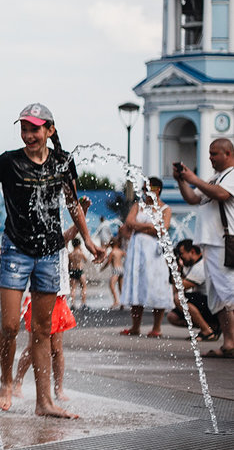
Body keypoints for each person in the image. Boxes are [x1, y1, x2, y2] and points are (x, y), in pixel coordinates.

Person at [0, 103, 101, 419]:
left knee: (42, 330)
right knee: (11, 325)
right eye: (24, 128)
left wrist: (89, 240)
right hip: (16, 250)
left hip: (51, 253)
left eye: (35, 129)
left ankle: (44, 402)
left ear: (49, 130)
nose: (28, 135)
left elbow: (72, 204)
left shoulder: (64, 162)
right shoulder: (9, 162)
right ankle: (5, 381)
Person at [172, 139, 234, 359]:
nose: (210, 157)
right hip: (211, 244)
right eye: (209, 153)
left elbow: (221, 195)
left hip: (224, 242)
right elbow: (192, 199)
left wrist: (193, 179)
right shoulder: (214, 179)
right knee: (217, 297)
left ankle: (232, 341)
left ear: (228, 153)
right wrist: (182, 182)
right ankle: (228, 343)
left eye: (214, 154)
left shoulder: (231, 176)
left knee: (229, 294)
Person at [14, 218, 87, 401]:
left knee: (57, 348)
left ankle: (58, 388)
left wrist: (81, 214)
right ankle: (17, 382)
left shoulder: (59, 239)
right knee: (33, 345)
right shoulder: (35, 239)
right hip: (37, 297)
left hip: (59, 297)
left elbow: (70, 234)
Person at [118, 177, 172, 337]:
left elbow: (162, 230)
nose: (144, 193)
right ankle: (135, 326)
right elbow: (129, 222)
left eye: (147, 189)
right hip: (137, 251)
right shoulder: (138, 205)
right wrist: (148, 226)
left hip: (154, 252)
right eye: (143, 189)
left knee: (157, 284)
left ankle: (156, 327)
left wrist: (139, 228)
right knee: (137, 284)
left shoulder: (165, 209)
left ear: (157, 190)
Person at [166, 240, 221, 341]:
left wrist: (174, 268)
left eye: (181, 254)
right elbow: (176, 288)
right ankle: (212, 327)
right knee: (172, 317)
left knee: (179, 299)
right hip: (207, 304)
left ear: (192, 251)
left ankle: (207, 331)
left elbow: (180, 287)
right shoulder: (193, 265)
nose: (181, 257)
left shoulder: (201, 265)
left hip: (214, 306)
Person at [98, 236, 125, 309]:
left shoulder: (112, 252)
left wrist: (102, 268)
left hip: (116, 270)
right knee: (120, 287)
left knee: (111, 285)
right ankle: (123, 302)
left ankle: (116, 301)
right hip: (122, 269)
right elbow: (127, 257)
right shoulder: (120, 251)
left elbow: (108, 262)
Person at [67, 238, 88, 309]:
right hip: (80, 271)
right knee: (83, 287)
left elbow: (68, 264)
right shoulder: (80, 253)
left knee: (73, 288)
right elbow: (86, 260)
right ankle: (83, 303)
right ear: (79, 244)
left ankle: (72, 304)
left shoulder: (70, 254)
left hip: (72, 271)